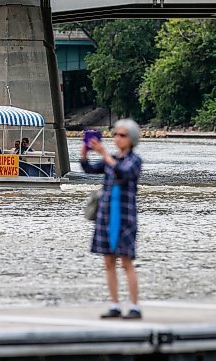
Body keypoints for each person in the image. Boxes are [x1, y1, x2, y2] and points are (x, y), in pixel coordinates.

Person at [80, 119, 143, 320]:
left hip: (124, 217)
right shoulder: (112, 158)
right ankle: (114, 304)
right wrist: (84, 151)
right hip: (106, 216)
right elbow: (89, 170)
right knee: (108, 261)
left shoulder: (134, 160)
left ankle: (134, 306)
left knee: (126, 262)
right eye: (116, 134)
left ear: (131, 139)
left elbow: (123, 172)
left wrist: (104, 154)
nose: (117, 138)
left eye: (122, 135)